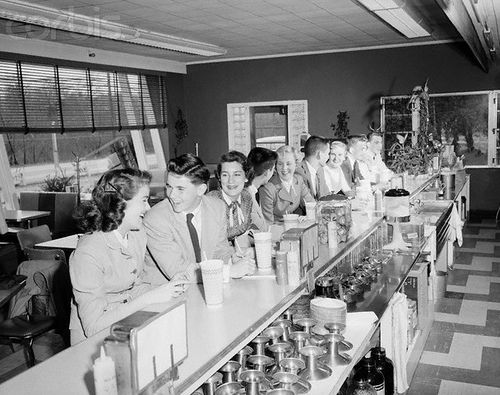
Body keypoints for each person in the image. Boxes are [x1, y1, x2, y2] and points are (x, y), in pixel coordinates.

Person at [69, 168, 187, 344]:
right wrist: (149, 298)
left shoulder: (136, 234)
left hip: (126, 326)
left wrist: (170, 289)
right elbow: (93, 326)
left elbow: (133, 286)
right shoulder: (87, 253)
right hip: (93, 342)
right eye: (144, 200)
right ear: (121, 203)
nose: (148, 208)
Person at [144, 153, 255, 283]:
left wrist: (231, 260)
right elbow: (179, 272)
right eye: (169, 186)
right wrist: (229, 271)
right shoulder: (155, 219)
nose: (171, 195)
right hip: (168, 292)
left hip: (206, 286)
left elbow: (219, 251)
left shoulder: (217, 207)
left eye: (180, 189)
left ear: (201, 190)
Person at [208, 151, 267, 243]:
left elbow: (249, 227)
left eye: (237, 174)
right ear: (219, 177)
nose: (231, 180)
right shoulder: (211, 202)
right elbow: (212, 243)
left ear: (246, 177)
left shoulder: (246, 197)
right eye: (225, 175)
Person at [259, 145, 314, 222]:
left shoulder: (299, 180)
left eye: (288, 164)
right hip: (275, 229)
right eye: (280, 164)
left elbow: (311, 204)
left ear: (296, 164)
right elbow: (267, 221)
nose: (284, 168)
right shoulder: (267, 188)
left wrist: (308, 216)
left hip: (293, 226)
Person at [246, 147, 277, 230]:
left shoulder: (252, 191)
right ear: (267, 172)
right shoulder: (247, 196)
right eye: (273, 169)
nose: (274, 173)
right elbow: (259, 229)